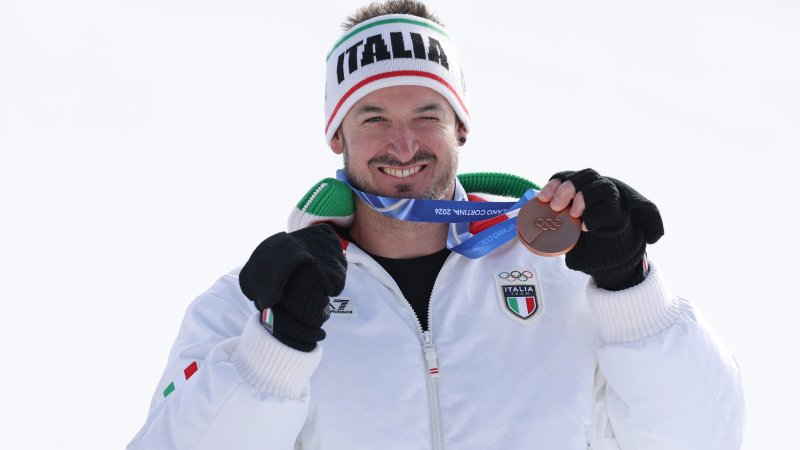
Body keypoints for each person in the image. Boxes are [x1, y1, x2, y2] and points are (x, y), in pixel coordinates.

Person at [128, 1, 745, 449]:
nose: (403, 146)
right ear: (337, 135)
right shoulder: (251, 301)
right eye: (373, 118)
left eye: (427, 114)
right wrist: (274, 350)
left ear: (461, 127)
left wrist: (630, 289)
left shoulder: (566, 279)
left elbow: (704, 438)